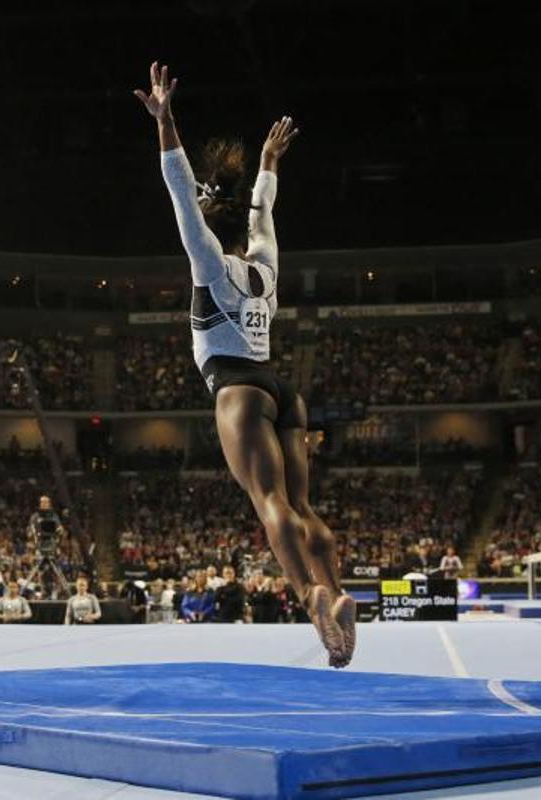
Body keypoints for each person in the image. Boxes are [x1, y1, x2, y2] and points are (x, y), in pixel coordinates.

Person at [135, 61, 353, 667]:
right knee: (303, 505)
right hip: (283, 390)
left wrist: (166, 120)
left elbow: (179, 186)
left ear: (209, 222)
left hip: (236, 389)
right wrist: (268, 164)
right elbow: (265, 213)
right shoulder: (263, 265)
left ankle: (310, 597)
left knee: (269, 502)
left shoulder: (206, 260)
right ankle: (335, 590)